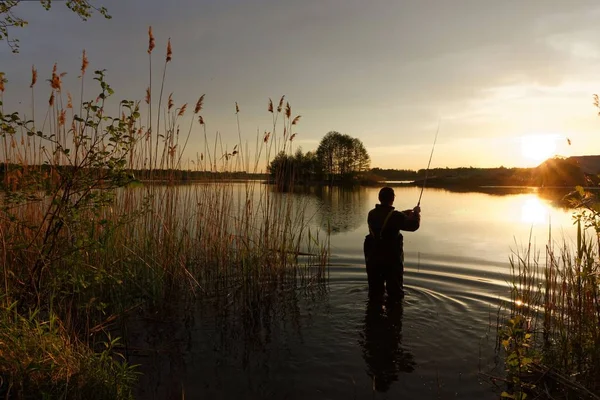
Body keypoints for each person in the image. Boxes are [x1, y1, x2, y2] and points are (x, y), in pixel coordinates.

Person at [363, 187, 420, 298]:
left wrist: (404, 213)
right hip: (391, 260)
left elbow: (386, 218)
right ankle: (394, 313)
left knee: (375, 293)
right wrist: (416, 214)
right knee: (395, 294)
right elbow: (413, 226)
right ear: (393, 198)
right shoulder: (396, 216)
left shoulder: (372, 213)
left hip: (374, 258)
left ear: (379, 198)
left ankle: (373, 313)